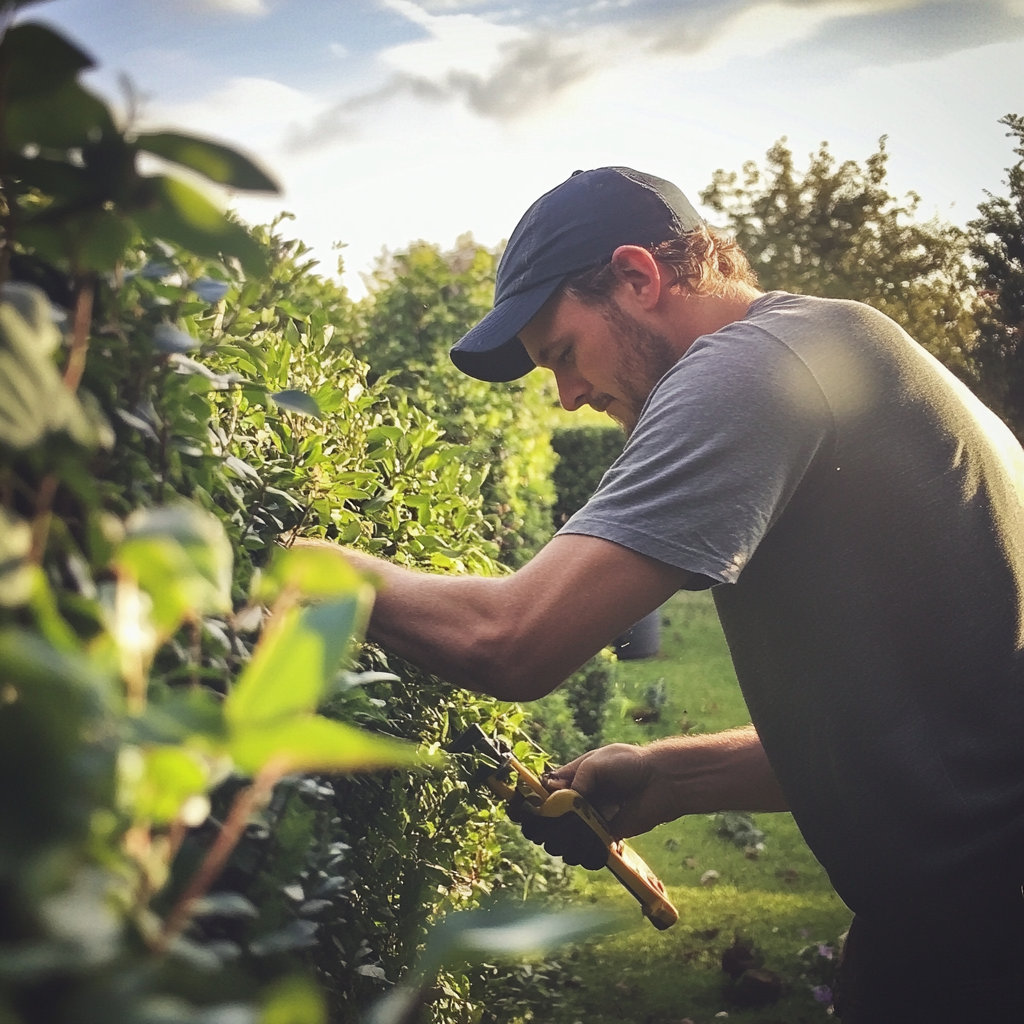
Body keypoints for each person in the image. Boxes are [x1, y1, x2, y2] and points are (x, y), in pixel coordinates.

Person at [330, 167, 1024, 1022]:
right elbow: (938, 733)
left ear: (638, 276)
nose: (570, 396)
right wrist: (675, 775)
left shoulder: (749, 367)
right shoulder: (831, 345)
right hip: (953, 928)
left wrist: (296, 563)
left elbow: (513, 640)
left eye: (563, 354)